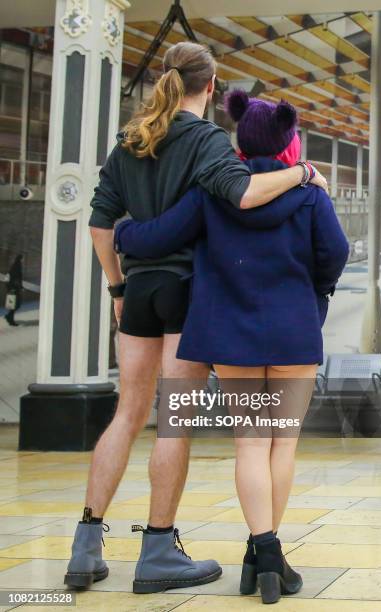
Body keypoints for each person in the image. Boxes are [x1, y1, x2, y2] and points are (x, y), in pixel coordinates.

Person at [64, 42, 327, 593]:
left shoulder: (130, 141)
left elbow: (99, 224)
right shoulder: (208, 141)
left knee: (126, 413)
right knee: (173, 419)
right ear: (210, 87)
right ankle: (158, 548)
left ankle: (86, 544)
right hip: (187, 294)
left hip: (137, 289)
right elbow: (243, 194)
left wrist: (117, 284)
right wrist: (303, 171)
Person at [114, 90, 349, 604]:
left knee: (249, 444)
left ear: (240, 139)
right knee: (280, 444)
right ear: (290, 139)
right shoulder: (309, 194)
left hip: (232, 336)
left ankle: (263, 554)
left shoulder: (211, 192)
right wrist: (313, 293)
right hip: (292, 332)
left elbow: (154, 238)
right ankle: (264, 559)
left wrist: (125, 231)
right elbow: (336, 254)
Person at [4, 254, 23, 327]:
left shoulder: (16, 265)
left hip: (14, 288)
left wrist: (20, 287)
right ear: (20, 259)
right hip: (14, 288)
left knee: (14, 304)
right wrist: (15, 288)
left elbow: (17, 278)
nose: (23, 260)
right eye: (22, 258)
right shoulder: (17, 266)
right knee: (16, 304)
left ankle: (9, 317)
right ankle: (10, 319)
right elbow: (15, 278)